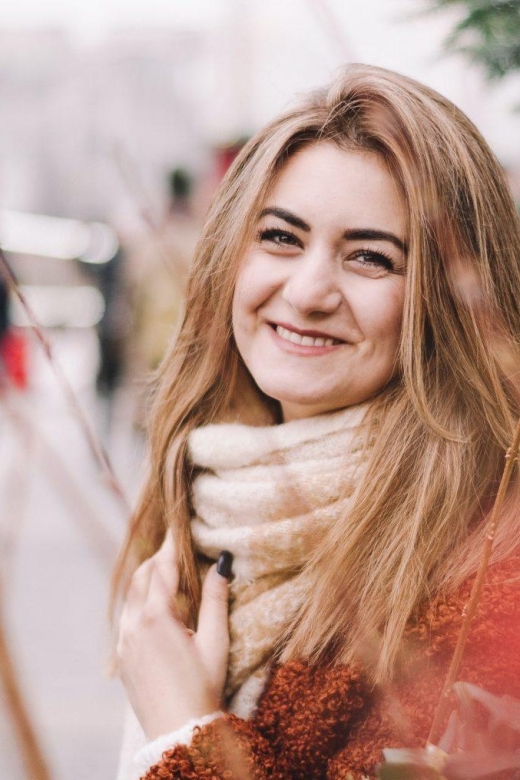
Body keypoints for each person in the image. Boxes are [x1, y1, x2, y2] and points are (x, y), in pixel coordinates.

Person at [112, 63, 520, 779]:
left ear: (447, 300)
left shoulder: (487, 578)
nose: (306, 292)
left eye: (370, 257)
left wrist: (186, 737)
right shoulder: (205, 503)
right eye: (280, 237)